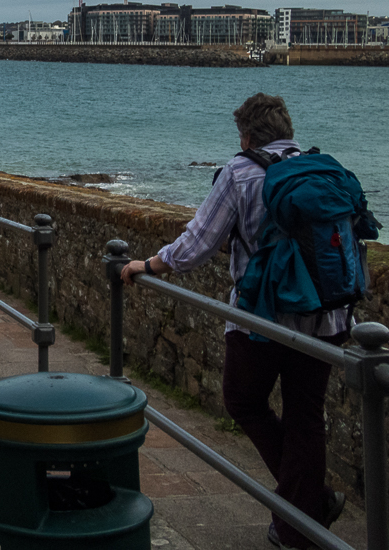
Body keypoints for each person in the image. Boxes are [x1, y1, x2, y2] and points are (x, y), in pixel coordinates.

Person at [119, 93, 347, 550]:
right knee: (307, 419)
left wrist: (147, 264)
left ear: (246, 135)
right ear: (287, 130)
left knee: (242, 400)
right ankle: (304, 516)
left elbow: (197, 244)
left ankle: (305, 510)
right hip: (327, 315)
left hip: (261, 317)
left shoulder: (240, 172)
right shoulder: (323, 168)